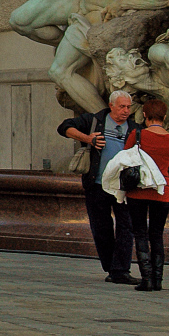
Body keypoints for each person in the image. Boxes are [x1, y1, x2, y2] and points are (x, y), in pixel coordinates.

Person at [57, 89, 143, 285]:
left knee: (126, 227)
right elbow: (64, 128)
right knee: (101, 227)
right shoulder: (95, 121)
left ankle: (120, 270)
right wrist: (88, 139)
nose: (125, 111)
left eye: (128, 107)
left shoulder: (134, 128)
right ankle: (111, 267)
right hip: (97, 184)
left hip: (123, 187)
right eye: (122, 106)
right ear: (111, 106)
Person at [123, 98, 169, 291]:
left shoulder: (137, 135)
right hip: (162, 191)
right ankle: (158, 279)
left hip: (138, 190)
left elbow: (126, 157)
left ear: (145, 115)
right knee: (157, 235)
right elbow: (168, 162)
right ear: (164, 115)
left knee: (140, 234)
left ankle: (146, 279)